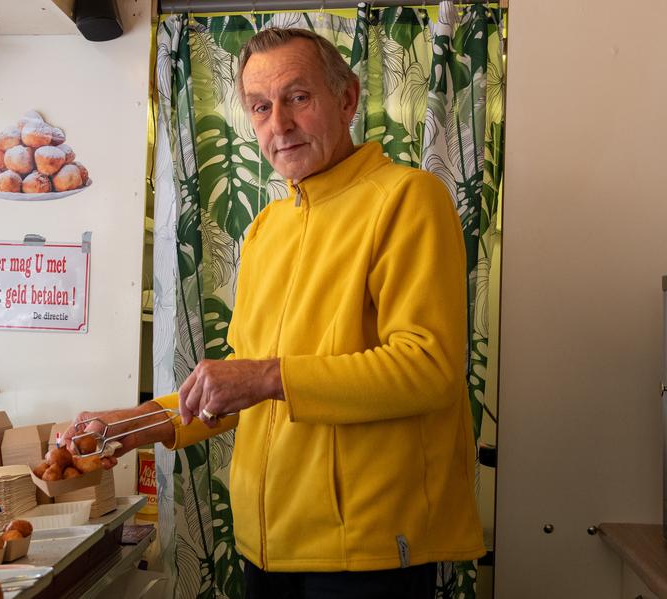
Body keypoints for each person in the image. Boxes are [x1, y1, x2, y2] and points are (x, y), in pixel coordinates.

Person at [66, 27, 484, 599]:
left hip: (370, 549)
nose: (278, 125)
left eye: (298, 98)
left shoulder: (408, 198)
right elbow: (242, 389)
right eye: (260, 107)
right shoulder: (266, 230)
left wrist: (265, 375)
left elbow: (428, 368)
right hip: (266, 543)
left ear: (347, 99)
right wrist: (131, 425)